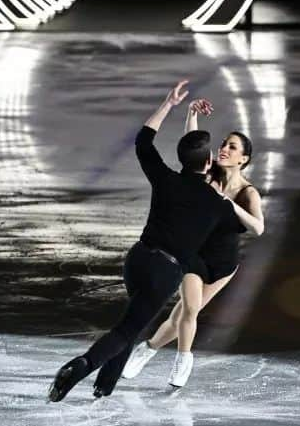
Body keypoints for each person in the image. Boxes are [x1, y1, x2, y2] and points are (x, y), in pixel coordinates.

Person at [48, 81, 242, 402]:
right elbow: (224, 243)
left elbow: (143, 141)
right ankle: (80, 368)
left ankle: (105, 384)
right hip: (165, 273)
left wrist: (170, 104)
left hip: (137, 259)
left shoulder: (165, 178)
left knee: (134, 321)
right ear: (209, 164)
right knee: (126, 329)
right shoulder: (216, 204)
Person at [121, 98, 264, 388]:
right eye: (223, 144)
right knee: (189, 309)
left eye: (232, 147)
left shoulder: (248, 192)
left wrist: (230, 205)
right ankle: (184, 359)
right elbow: (193, 149)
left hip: (224, 264)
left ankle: (147, 349)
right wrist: (191, 114)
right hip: (193, 255)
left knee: (182, 318)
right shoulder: (207, 176)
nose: (223, 148)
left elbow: (258, 228)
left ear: (243, 159)